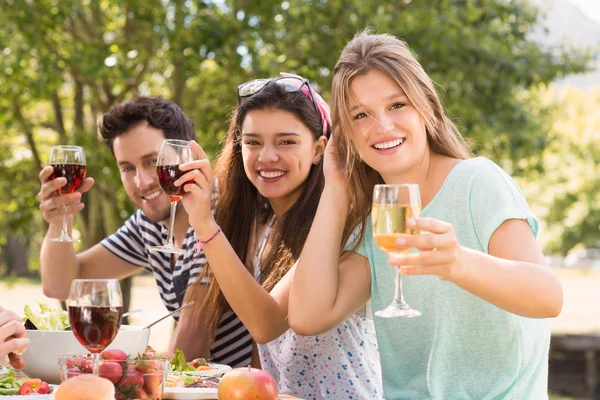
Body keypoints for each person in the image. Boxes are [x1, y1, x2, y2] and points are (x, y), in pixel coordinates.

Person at [289, 31, 563, 399]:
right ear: (348, 135)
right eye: (361, 115)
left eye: (397, 105)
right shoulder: (378, 218)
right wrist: (335, 188)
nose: (382, 126)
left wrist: (459, 263)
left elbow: (549, 296)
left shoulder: (477, 182)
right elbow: (308, 317)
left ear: (427, 108)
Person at [176, 74, 383, 399]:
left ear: (319, 150)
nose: (267, 156)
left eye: (286, 141)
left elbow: (267, 322)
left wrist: (204, 224)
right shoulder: (262, 224)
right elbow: (266, 350)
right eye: (253, 142)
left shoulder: (342, 226)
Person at [37, 97, 253, 367]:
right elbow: (60, 285)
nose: (142, 181)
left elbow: (190, 348)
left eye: (152, 161)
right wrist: (59, 221)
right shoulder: (148, 225)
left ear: (188, 156)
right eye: (127, 168)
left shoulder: (217, 212)